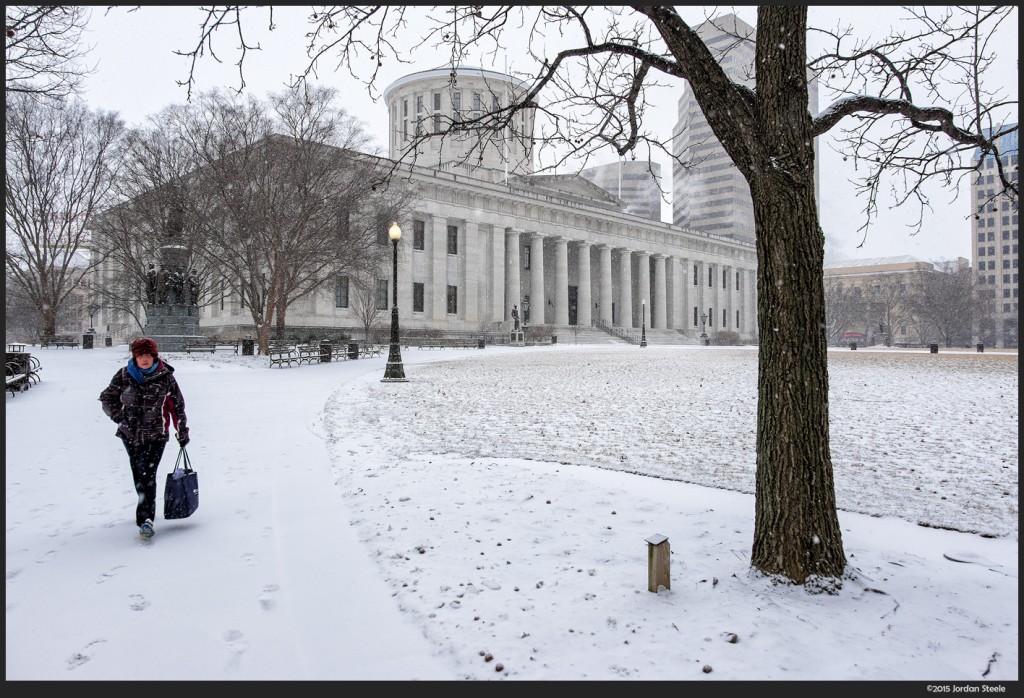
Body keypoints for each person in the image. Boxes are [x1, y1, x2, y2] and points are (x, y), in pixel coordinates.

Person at [99, 337, 190, 539]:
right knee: (139, 474)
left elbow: (178, 407)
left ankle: (146, 518)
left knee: (148, 474)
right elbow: (107, 397)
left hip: (156, 434)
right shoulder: (124, 375)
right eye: (140, 355)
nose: (144, 359)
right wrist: (119, 417)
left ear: (154, 356)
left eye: (148, 355)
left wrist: (182, 431)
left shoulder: (166, 378)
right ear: (135, 357)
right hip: (130, 435)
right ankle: (144, 510)